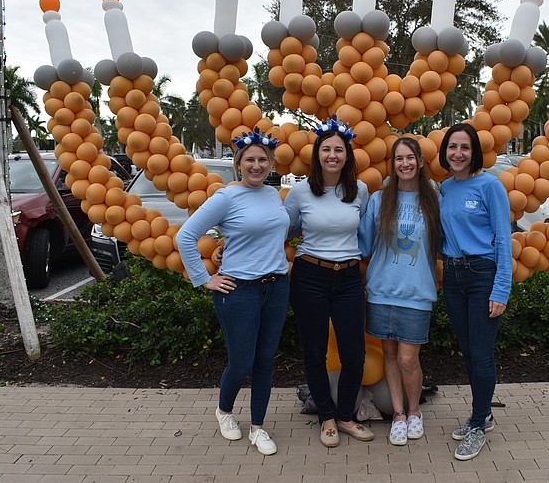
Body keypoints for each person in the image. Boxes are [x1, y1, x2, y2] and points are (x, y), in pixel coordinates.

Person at [176, 129, 289, 456]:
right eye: (250, 160)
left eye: (262, 160)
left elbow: (271, 234)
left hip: (277, 287)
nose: (256, 166)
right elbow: (186, 236)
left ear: (270, 163)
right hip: (238, 292)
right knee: (241, 363)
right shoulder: (227, 196)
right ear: (239, 163)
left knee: (265, 361)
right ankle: (224, 411)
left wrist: (229, 246)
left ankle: (257, 428)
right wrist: (203, 278)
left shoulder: (272, 194)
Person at [283, 117, 372, 448]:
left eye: (339, 149)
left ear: (347, 154)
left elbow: (366, 233)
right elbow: (282, 231)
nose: (332, 155)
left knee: (354, 353)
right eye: (326, 149)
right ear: (317, 154)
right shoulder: (301, 191)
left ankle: (346, 416)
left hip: (349, 277)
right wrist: (229, 247)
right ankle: (327, 418)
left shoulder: (359, 190)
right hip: (310, 276)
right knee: (314, 352)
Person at [358, 136, 441, 446]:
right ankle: (398, 415)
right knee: (390, 356)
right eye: (398, 159)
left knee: (408, 359)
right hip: (381, 291)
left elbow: (447, 244)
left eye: (410, 158)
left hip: (417, 294)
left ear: (420, 162)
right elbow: (362, 244)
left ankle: (415, 411)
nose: (404, 163)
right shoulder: (380, 200)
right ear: (392, 164)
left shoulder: (434, 200)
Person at [438, 123, 512, 461]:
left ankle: (478, 425)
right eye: (452, 147)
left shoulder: (490, 185)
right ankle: (483, 413)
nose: (457, 153)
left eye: (464, 148)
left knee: (481, 354)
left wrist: (501, 289)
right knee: (468, 352)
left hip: (483, 275)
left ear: (475, 152)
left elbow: (502, 238)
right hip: (453, 277)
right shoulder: (445, 188)